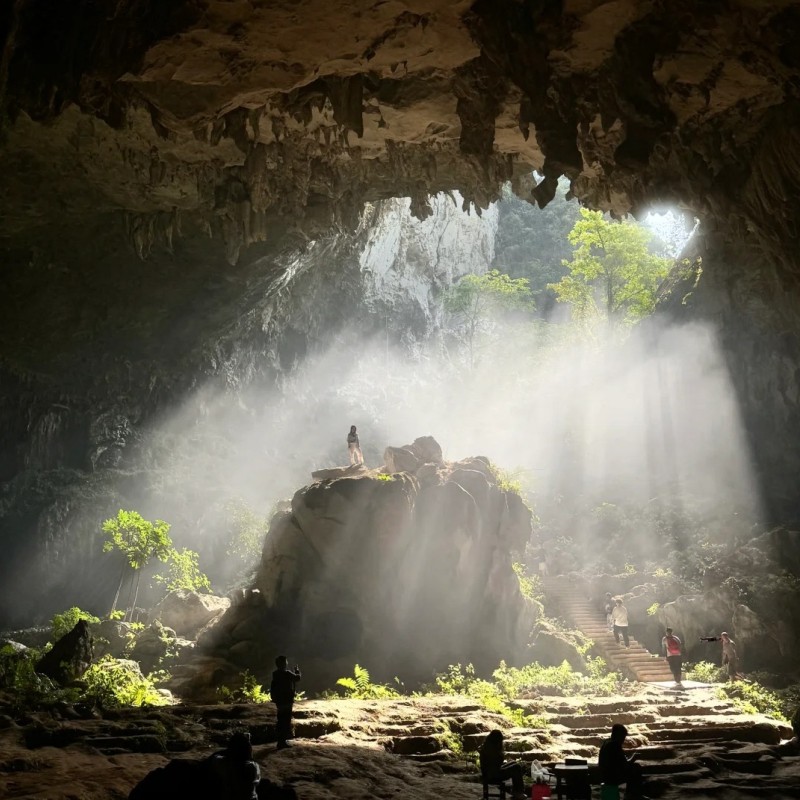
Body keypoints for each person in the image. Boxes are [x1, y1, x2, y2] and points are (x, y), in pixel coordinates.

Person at [207, 731, 260, 800]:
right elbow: (250, 758)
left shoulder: (225, 764)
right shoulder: (253, 767)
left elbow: (214, 757)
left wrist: (228, 751)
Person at [598, 723, 645, 799]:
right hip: (611, 777)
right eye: (623, 737)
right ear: (619, 735)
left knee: (633, 768)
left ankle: (631, 794)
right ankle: (632, 795)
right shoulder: (614, 745)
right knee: (636, 768)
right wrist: (634, 757)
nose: (623, 740)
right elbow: (625, 765)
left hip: (604, 775)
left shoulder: (606, 742)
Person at [478, 729, 526, 800]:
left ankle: (516, 791)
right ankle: (518, 792)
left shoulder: (486, 746)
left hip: (489, 773)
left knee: (513, 763)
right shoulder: (492, 750)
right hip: (493, 776)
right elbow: (498, 762)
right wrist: (501, 755)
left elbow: (496, 764)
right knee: (517, 767)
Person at [270, 655, 301, 749]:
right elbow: (297, 678)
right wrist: (297, 671)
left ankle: (281, 741)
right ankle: (282, 742)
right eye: (286, 662)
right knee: (286, 721)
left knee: (280, 721)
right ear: (283, 663)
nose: (287, 663)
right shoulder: (287, 673)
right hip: (287, 701)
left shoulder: (275, 674)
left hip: (280, 702)